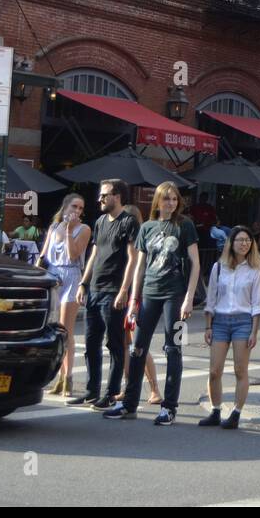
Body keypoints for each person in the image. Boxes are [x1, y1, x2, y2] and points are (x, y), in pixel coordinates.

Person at [104, 182, 200, 425]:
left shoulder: (185, 225)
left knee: (173, 349)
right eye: (166, 199)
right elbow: (140, 266)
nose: (171, 203)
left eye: (174, 199)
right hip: (149, 294)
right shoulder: (146, 228)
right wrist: (134, 299)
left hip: (175, 296)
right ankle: (129, 404)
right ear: (158, 201)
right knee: (137, 348)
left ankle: (169, 407)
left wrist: (189, 298)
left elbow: (195, 263)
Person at [70, 179, 139, 409]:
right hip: (95, 289)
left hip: (113, 291)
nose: (99, 199)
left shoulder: (129, 222)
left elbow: (133, 259)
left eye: (104, 195)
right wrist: (83, 282)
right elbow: (93, 255)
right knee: (91, 343)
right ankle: (91, 391)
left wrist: (123, 290)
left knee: (115, 344)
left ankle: (110, 393)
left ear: (117, 196)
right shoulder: (100, 221)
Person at [200, 226, 260, 429]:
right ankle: (215, 411)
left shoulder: (255, 270)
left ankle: (236, 413)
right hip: (219, 321)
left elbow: (257, 304)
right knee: (214, 371)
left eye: (248, 240)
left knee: (240, 370)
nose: (245, 243)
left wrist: (254, 332)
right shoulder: (218, 267)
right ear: (231, 243)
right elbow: (210, 298)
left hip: (243, 322)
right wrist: (208, 326)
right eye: (240, 240)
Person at [38, 193, 92, 397]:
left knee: (66, 329)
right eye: (74, 207)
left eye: (80, 208)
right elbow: (43, 255)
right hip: (53, 275)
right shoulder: (53, 227)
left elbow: (73, 254)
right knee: (52, 330)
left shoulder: (84, 229)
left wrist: (70, 230)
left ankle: (68, 378)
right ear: (65, 207)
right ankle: (58, 378)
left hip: (70, 274)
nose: (77, 211)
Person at [118, 204, 161, 405]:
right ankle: (129, 387)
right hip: (126, 296)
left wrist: (131, 296)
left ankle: (154, 388)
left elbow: (139, 269)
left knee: (138, 344)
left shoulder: (140, 240)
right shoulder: (126, 240)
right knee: (127, 344)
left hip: (138, 296)